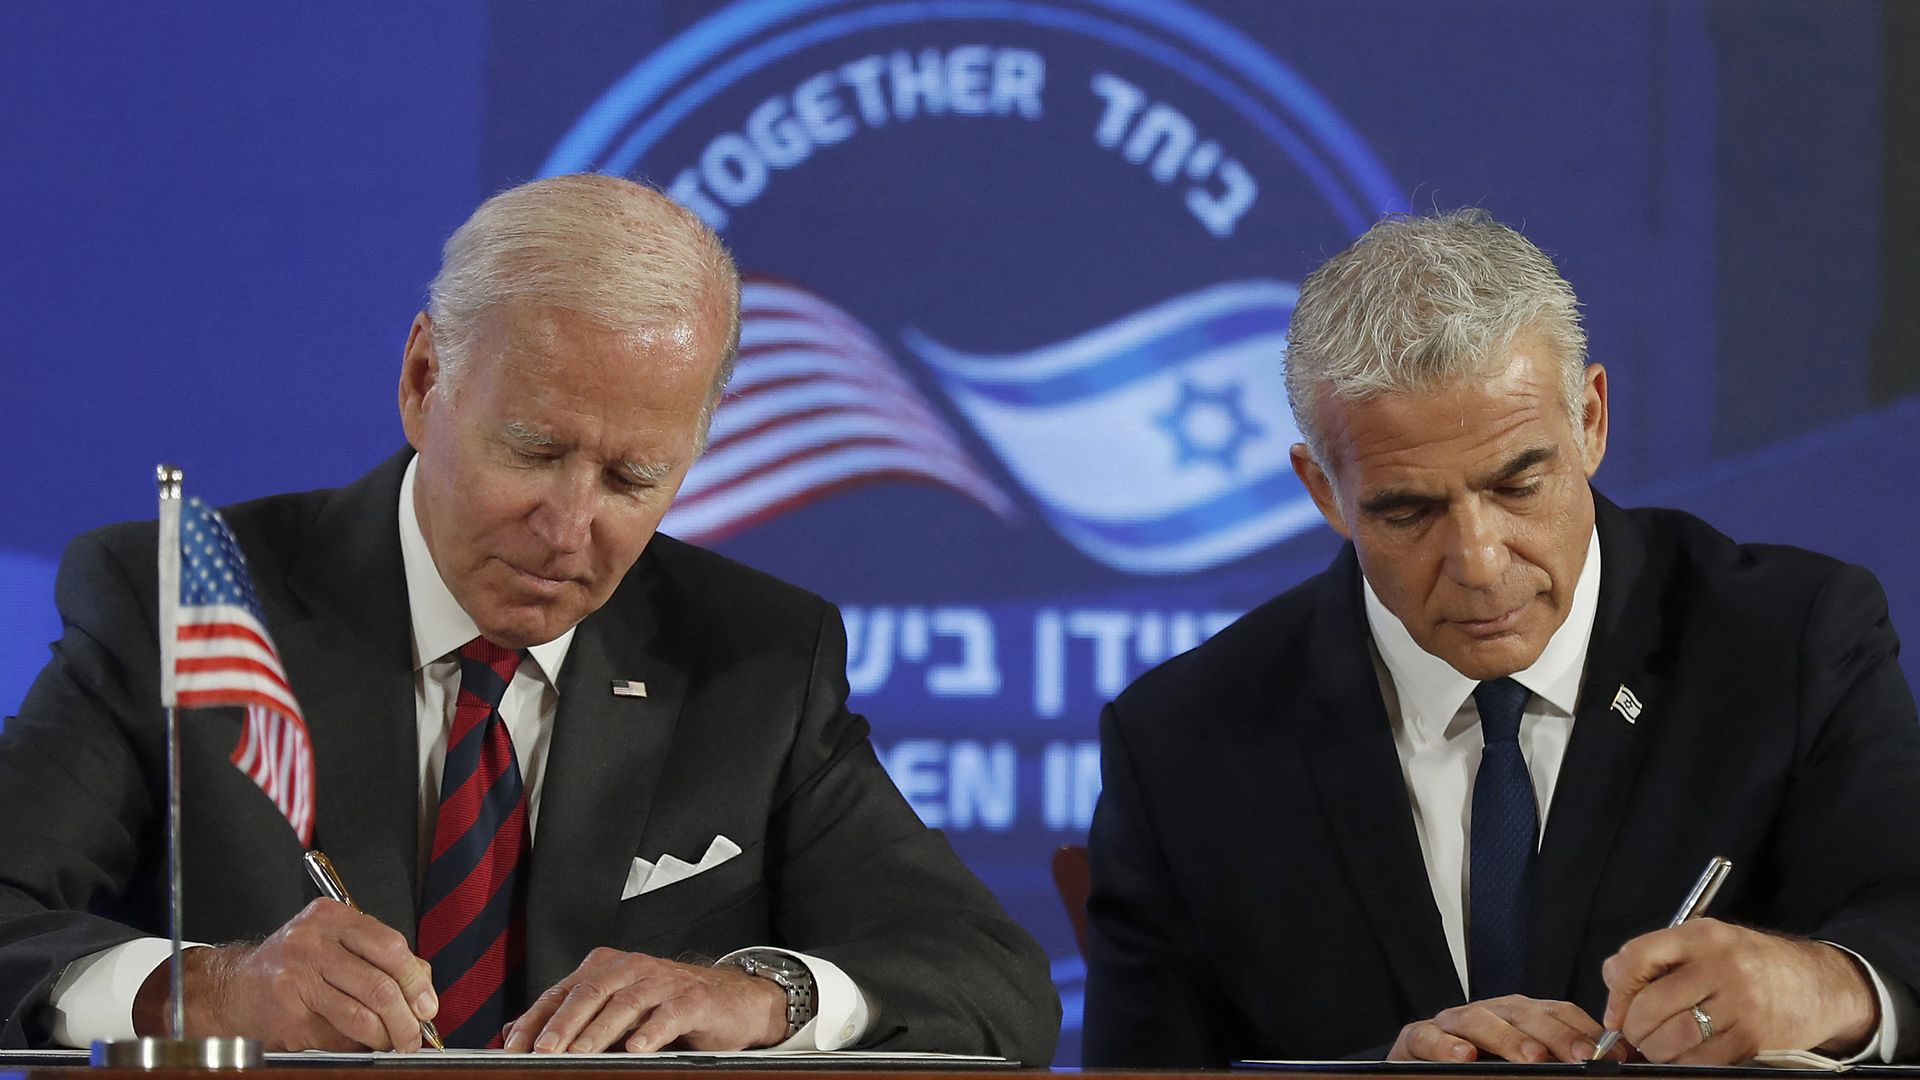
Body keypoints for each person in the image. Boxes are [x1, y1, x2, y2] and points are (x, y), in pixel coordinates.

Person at [0, 174, 1059, 1061]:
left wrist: (766, 995)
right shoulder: (187, 603)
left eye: (633, 477)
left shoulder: (755, 659)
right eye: (537, 452)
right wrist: (201, 991)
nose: (570, 527)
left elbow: (994, 981)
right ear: (423, 380)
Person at [1081, 209, 1920, 1067]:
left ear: (1589, 421)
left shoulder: (1788, 641)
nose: (1479, 564)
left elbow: (1906, 916)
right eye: (1407, 510)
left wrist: (1826, 985)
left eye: (1520, 484)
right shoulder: (1180, 744)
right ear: (1324, 491)